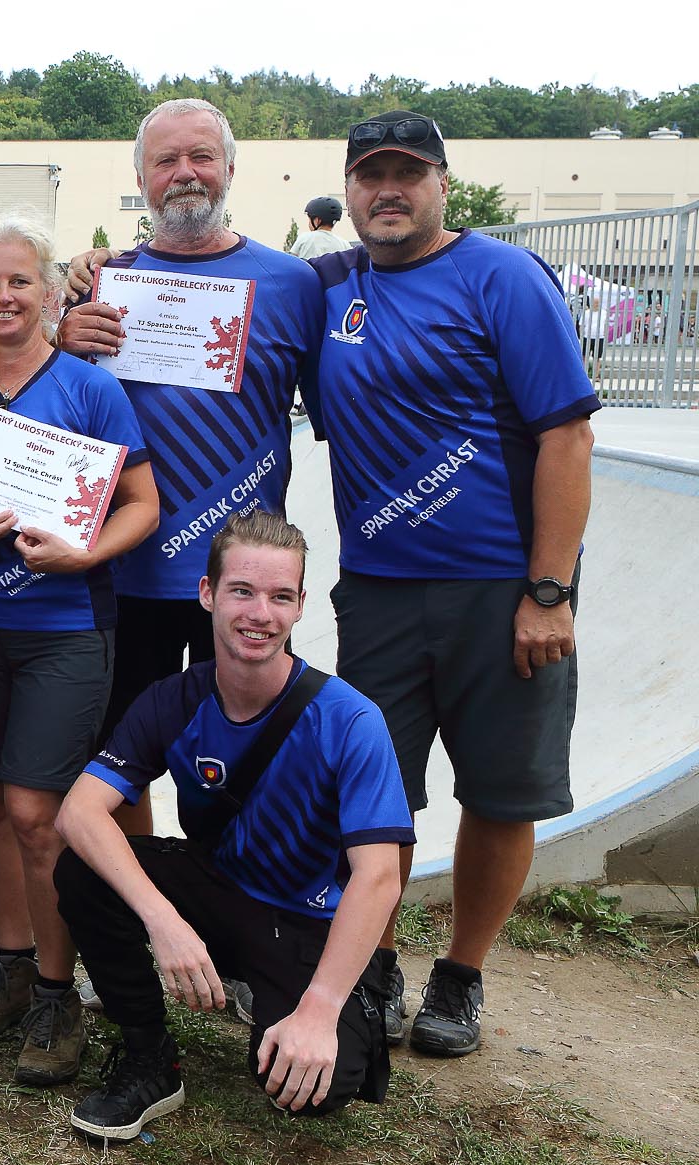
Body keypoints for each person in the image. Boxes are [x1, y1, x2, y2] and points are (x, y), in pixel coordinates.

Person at [304, 112, 596, 1058]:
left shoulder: (502, 276)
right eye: (369, 176)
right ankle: (377, 966)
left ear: (441, 182)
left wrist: (547, 592)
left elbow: (567, 434)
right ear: (347, 190)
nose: (388, 191)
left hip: (502, 589)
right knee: (375, 795)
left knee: (502, 794)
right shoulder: (327, 287)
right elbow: (214, 295)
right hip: (381, 590)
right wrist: (97, 280)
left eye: (408, 173)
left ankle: (461, 978)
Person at [53, 510, 409, 1141]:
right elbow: (79, 810)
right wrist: (163, 924)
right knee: (84, 868)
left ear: (301, 608)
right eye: (242, 591)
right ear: (207, 594)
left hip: (306, 921)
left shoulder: (350, 719)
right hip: (219, 892)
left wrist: (320, 1011)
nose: (260, 614)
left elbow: (378, 878)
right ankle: (148, 1057)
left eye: (280, 597)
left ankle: (299, 1002)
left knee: (314, 1089)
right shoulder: (173, 699)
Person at [0, 214, 157, 1085]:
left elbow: (143, 504)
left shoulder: (91, 390)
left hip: (65, 631)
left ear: (53, 293)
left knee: (36, 812)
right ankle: (12, 966)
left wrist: (85, 552)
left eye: (22, 281)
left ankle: (61, 991)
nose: (6, 296)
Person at [57, 99, 323, 854]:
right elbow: (49, 406)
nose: (185, 174)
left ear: (231, 169)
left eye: (201, 157)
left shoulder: (293, 284)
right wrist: (64, 340)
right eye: (166, 161)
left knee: (242, 764)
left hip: (238, 579)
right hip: (123, 570)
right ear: (140, 178)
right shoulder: (101, 284)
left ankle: (233, 929)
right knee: (121, 764)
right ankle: (148, 912)